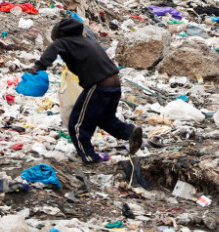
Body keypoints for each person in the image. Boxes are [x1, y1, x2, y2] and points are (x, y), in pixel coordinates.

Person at [30, 17, 142, 163]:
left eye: (54, 39)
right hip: (115, 84)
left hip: (99, 86)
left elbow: (52, 50)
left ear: (59, 35)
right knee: (105, 119)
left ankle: (89, 156)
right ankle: (130, 132)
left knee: (77, 125)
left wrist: (38, 67)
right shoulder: (87, 41)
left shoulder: (64, 41)